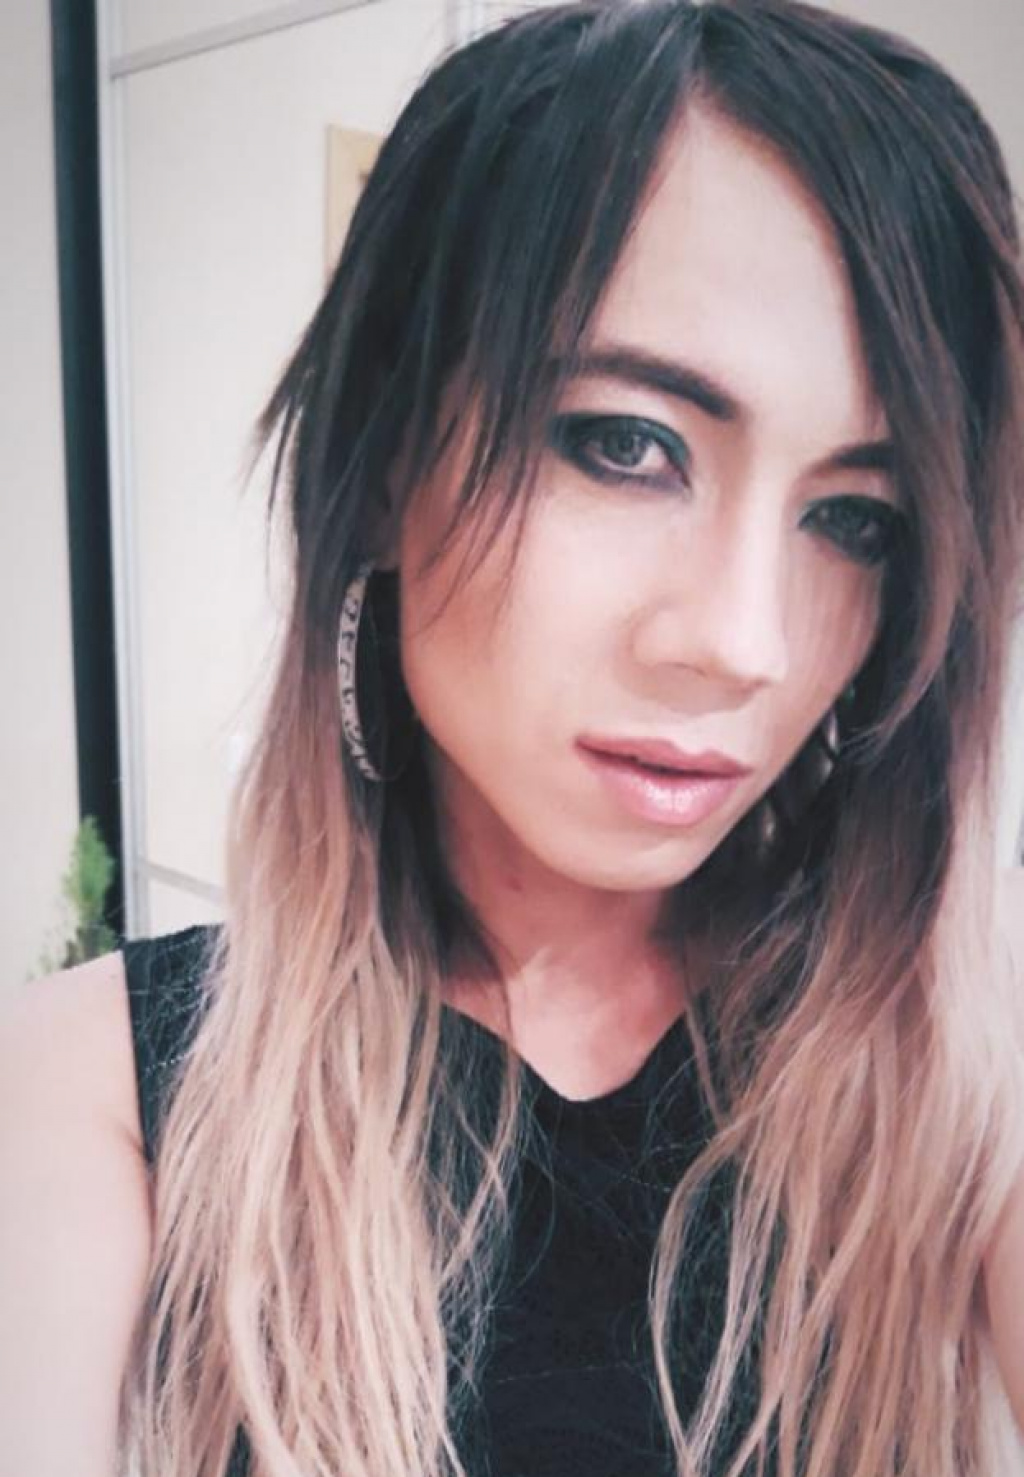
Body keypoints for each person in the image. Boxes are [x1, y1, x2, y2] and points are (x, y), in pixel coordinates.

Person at [4, 0, 1024, 1473]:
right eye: (627, 444)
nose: (744, 641)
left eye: (855, 519)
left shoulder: (956, 1075)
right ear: (384, 460)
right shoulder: (89, 1091)